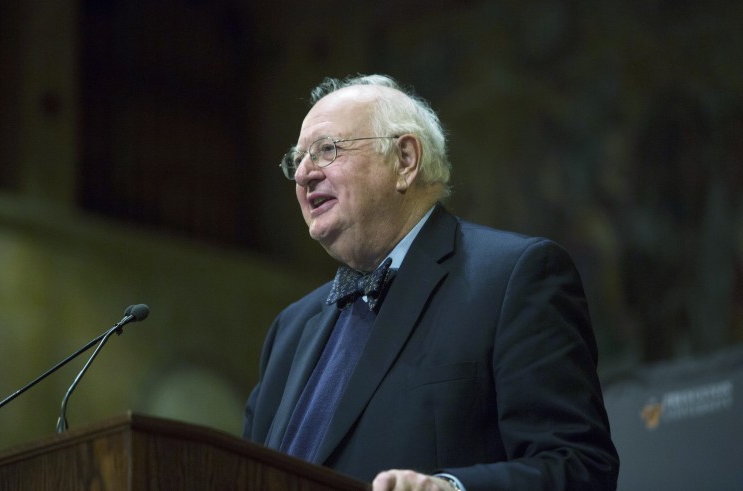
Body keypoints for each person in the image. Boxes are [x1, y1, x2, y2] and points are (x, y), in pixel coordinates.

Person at [243, 74, 619, 490]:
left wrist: (450, 489)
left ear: (405, 160)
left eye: (327, 150)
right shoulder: (290, 330)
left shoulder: (514, 277)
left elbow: (579, 466)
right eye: (297, 161)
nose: (304, 175)